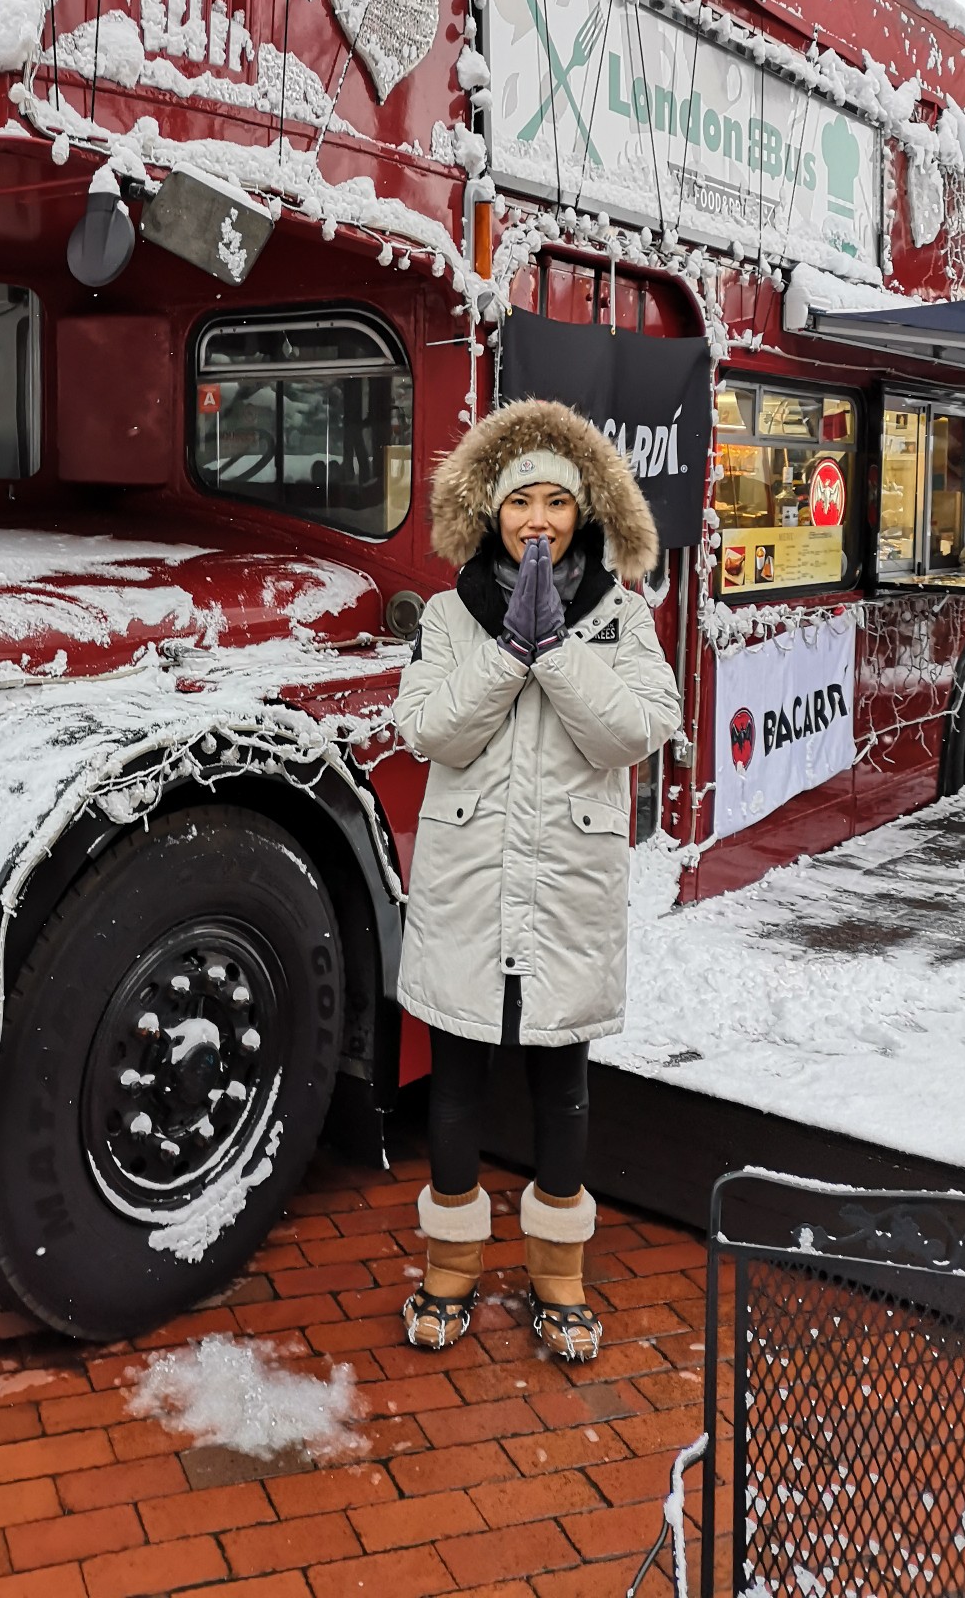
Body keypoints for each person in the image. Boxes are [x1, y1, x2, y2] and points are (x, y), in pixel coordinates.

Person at [395, 398, 682, 1359]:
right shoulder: (446, 615)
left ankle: (560, 1276)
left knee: (564, 1081)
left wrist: (555, 652)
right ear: (493, 513)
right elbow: (432, 731)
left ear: (586, 514)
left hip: (566, 885)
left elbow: (637, 729)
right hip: (471, 880)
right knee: (456, 1086)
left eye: (560, 504)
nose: (540, 522)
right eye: (524, 503)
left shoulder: (620, 615)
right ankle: (450, 1269)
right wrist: (507, 654)